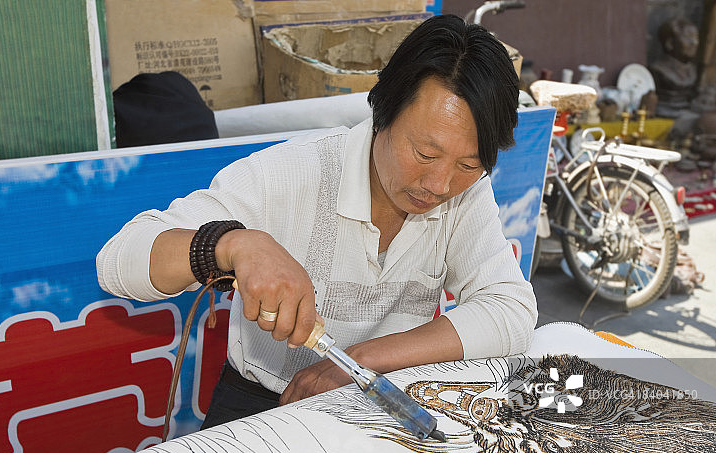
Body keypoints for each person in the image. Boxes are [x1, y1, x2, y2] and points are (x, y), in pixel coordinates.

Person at [97, 14, 537, 429]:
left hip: (384, 394)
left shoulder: (466, 195)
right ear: (383, 112)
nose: (439, 184)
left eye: (469, 164)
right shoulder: (289, 174)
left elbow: (510, 310)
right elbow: (118, 261)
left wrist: (361, 361)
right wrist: (235, 245)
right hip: (264, 403)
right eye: (424, 154)